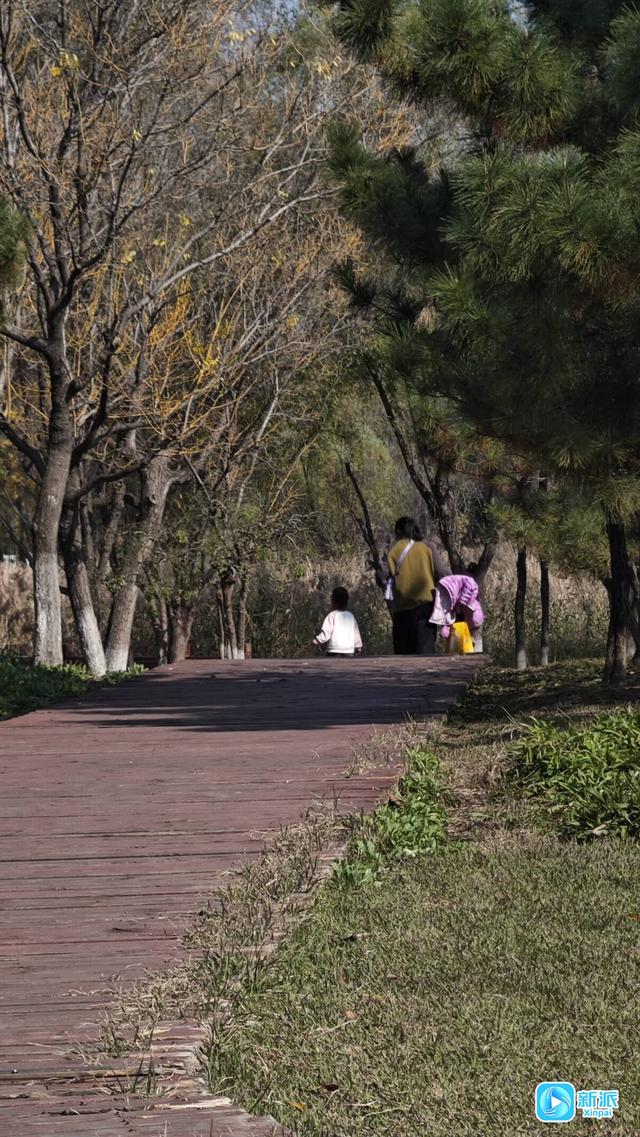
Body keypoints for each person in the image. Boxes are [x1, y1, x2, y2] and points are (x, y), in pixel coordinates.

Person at [387, 517, 437, 655]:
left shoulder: (394, 550)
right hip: (425, 610)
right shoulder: (427, 547)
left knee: (403, 657)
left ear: (398, 531)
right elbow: (442, 572)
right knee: (425, 654)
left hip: (401, 612)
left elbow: (385, 577)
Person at [313, 587, 363, 657]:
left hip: (333, 651)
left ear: (333, 601)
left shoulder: (332, 616)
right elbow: (356, 634)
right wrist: (358, 647)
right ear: (347, 601)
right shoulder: (351, 616)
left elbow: (326, 634)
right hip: (349, 651)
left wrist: (316, 641)